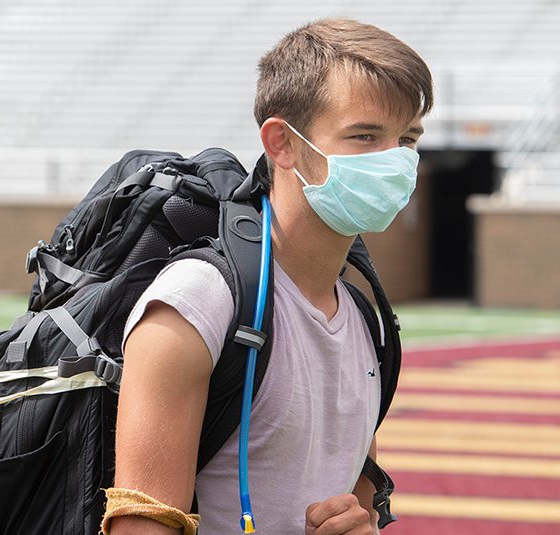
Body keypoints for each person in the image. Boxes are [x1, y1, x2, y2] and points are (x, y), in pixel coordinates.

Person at [104, 18, 433, 535]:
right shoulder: (199, 302)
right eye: (365, 135)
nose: (394, 161)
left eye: (408, 138)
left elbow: (362, 508)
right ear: (282, 144)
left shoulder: (364, 318)